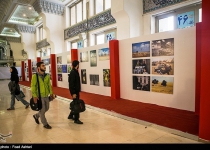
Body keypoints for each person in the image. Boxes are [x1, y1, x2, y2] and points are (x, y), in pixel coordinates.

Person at [31, 62, 55, 129]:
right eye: (43, 66)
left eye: (44, 65)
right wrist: (34, 96)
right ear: (39, 67)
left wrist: (51, 93)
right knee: (42, 110)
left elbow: (49, 85)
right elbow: (33, 86)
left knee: (46, 108)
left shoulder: (47, 76)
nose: (44, 67)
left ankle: (36, 116)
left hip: (46, 95)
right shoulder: (35, 76)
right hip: (39, 96)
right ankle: (45, 124)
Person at [68, 60, 83, 124]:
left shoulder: (75, 72)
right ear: (77, 65)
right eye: (78, 64)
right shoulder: (73, 73)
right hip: (75, 92)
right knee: (76, 105)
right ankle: (76, 119)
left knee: (75, 103)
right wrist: (73, 93)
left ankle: (71, 115)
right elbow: (71, 84)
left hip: (76, 91)